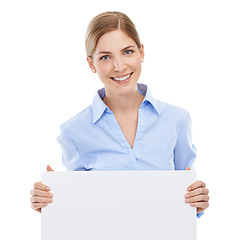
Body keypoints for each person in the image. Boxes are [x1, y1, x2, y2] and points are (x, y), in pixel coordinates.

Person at [30, 11, 209, 217]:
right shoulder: (73, 131)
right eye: (105, 57)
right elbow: (79, 208)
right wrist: (51, 202)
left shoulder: (177, 120)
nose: (119, 66)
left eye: (128, 52)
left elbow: (187, 197)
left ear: (141, 52)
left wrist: (198, 202)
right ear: (91, 64)